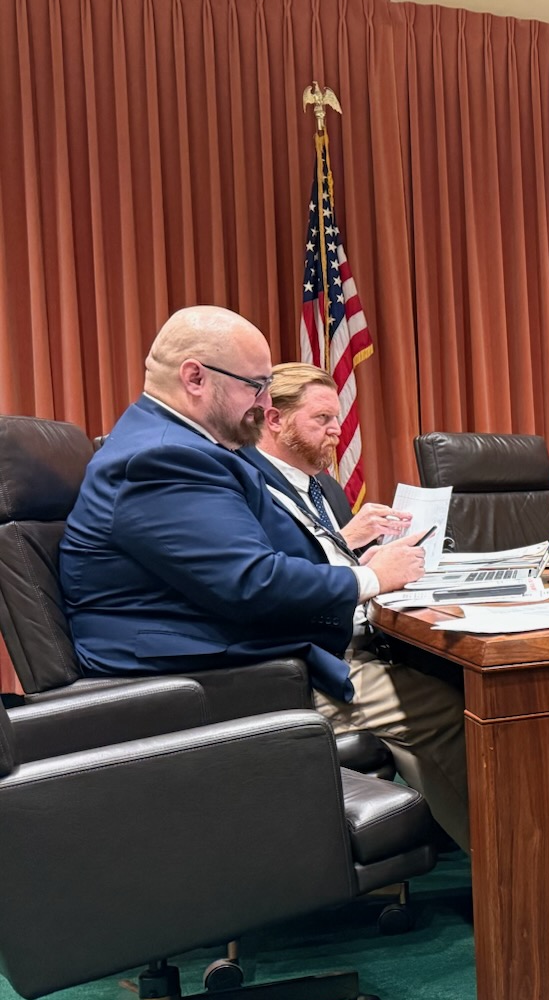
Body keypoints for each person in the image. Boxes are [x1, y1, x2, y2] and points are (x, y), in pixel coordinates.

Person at [58, 308, 472, 848]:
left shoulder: (186, 447)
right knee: (446, 708)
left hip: (233, 654)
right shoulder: (164, 458)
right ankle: (518, 873)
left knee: (435, 680)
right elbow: (253, 583)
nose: (263, 403)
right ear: (195, 377)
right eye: (255, 385)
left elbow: (261, 561)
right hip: (214, 679)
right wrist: (370, 578)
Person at [242, 360, 470, 847]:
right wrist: (370, 573)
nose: (336, 431)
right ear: (274, 419)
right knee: (449, 710)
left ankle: (472, 843)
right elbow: (274, 584)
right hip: (313, 663)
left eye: (337, 418)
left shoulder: (315, 484)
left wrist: (356, 554)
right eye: (322, 419)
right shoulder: (251, 485)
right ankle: (509, 859)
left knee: (450, 681)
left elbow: (310, 563)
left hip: (353, 640)